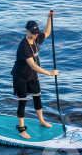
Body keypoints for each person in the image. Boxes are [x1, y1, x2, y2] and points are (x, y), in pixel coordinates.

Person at [10, 10, 58, 139]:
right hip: (20, 76)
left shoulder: (36, 38)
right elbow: (33, 65)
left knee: (37, 97)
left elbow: (47, 32)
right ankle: (21, 129)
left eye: (37, 33)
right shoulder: (24, 46)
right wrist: (49, 73)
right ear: (27, 31)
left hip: (32, 75)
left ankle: (41, 121)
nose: (36, 36)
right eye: (33, 33)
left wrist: (49, 18)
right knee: (22, 102)